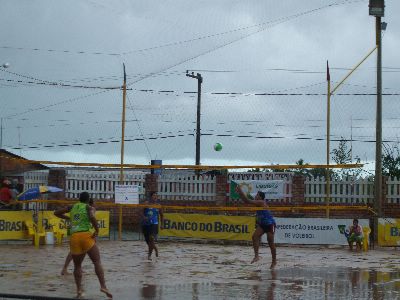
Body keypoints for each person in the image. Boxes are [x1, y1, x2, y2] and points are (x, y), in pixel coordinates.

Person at [54, 192, 112, 299]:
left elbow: (56, 213)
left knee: (77, 266)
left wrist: (68, 218)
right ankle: (103, 286)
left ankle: (79, 290)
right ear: (88, 199)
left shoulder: (72, 207)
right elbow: (92, 217)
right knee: (97, 261)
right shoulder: (89, 207)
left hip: (74, 237)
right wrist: (97, 230)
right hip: (86, 236)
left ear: (79, 199)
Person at [236, 185, 277, 268]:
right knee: (254, 237)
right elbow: (245, 201)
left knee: (271, 243)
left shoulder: (261, 202)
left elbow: (247, 200)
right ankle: (256, 256)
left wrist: (240, 191)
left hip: (270, 224)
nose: (255, 196)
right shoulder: (257, 203)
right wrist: (240, 194)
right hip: (262, 224)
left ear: (260, 197)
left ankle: (274, 261)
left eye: (257, 195)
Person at [61, 198, 96, 275]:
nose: (95, 204)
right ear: (91, 203)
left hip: (78, 232)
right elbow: (92, 220)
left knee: (81, 251)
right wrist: (96, 230)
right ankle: (65, 268)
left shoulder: (82, 209)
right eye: (94, 203)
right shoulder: (89, 209)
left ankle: (77, 268)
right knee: (73, 252)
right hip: (80, 233)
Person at [141, 191, 163, 260]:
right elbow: (140, 211)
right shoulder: (146, 204)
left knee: (151, 238)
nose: (155, 197)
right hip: (146, 224)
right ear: (151, 197)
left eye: (156, 196)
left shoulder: (158, 205)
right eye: (154, 195)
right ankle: (155, 248)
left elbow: (162, 215)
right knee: (148, 242)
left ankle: (149, 256)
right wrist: (144, 217)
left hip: (154, 224)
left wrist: (162, 224)